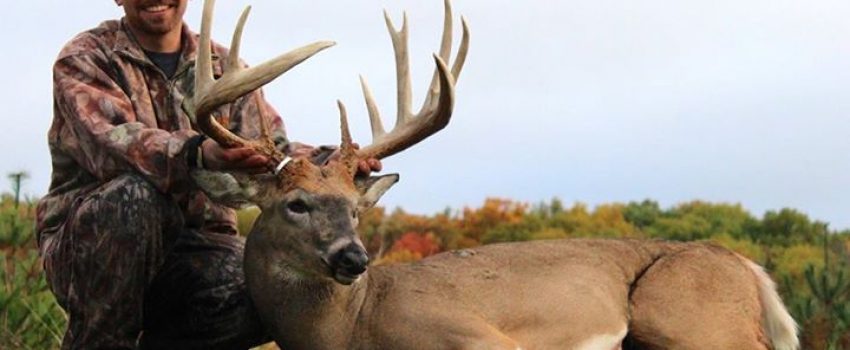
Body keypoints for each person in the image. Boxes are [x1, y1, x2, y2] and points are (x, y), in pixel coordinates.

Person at [36, 0, 380, 348]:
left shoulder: (222, 67)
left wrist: (330, 161)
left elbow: (272, 152)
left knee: (271, 287)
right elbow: (113, 144)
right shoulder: (86, 59)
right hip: (97, 247)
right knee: (135, 198)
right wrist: (197, 153)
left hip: (200, 250)